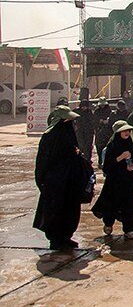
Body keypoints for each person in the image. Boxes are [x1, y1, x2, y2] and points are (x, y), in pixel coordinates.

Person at [33, 106, 85, 250]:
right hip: (55, 183)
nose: (70, 123)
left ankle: (66, 236)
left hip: (70, 181)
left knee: (70, 209)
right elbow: (43, 161)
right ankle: (56, 239)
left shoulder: (69, 134)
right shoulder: (50, 137)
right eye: (67, 120)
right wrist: (42, 181)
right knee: (55, 210)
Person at [91, 122, 133, 239]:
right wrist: (120, 157)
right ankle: (108, 223)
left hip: (129, 181)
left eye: (128, 131)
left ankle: (129, 229)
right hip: (114, 181)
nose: (127, 133)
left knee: (128, 205)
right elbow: (107, 167)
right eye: (124, 131)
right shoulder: (112, 146)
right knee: (112, 203)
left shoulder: (131, 145)